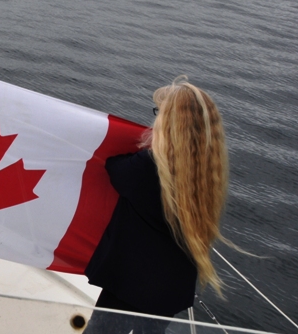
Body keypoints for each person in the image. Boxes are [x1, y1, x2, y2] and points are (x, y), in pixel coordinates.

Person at [84, 77, 229, 334]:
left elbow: (114, 168)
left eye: (159, 112)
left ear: (171, 122)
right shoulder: (207, 173)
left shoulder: (148, 168)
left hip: (129, 285)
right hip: (171, 288)